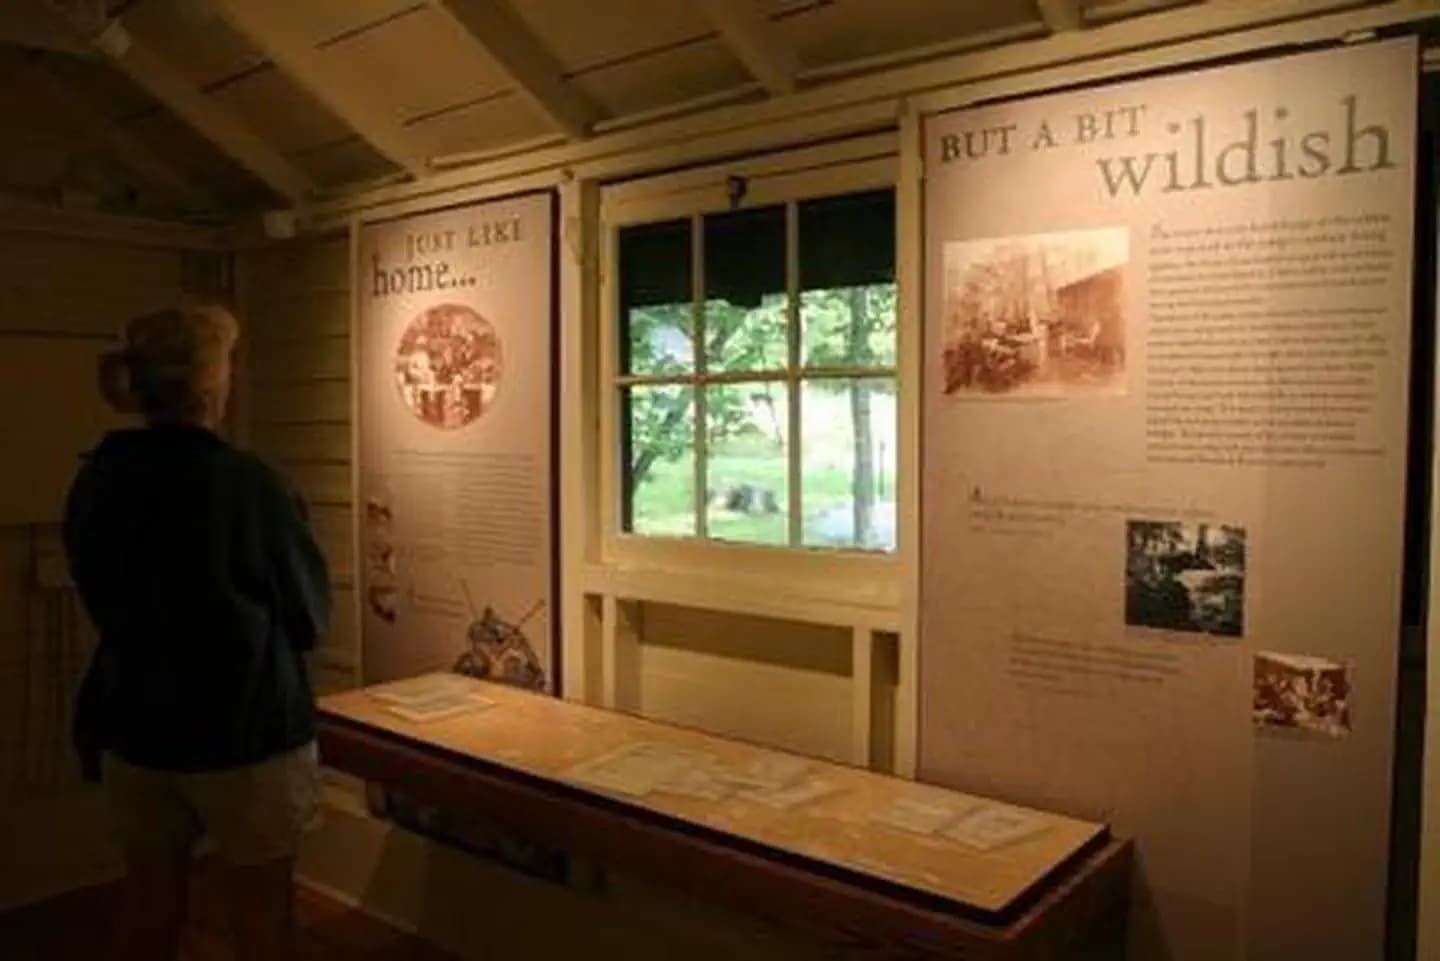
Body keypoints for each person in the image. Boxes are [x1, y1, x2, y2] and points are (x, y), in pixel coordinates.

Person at [64, 305, 331, 961]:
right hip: (246, 735)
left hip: (135, 726)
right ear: (212, 384)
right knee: (263, 922)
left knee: (148, 912)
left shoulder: (97, 480)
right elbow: (308, 616)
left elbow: (100, 593)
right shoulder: (251, 485)